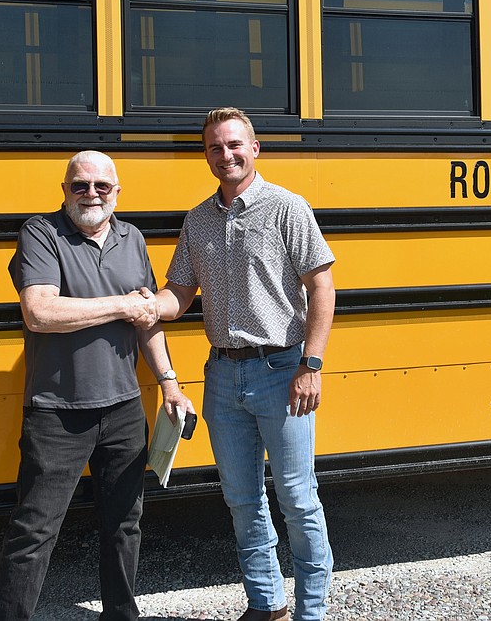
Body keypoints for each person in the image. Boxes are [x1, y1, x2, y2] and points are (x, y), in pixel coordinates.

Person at [0, 151, 194, 621]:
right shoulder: (41, 232)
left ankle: (121, 614)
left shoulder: (131, 237)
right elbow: (41, 312)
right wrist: (123, 305)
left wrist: (169, 384)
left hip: (123, 408)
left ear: (117, 192)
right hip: (56, 410)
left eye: (102, 186)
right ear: (64, 190)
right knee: (34, 531)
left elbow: (147, 320)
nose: (92, 194)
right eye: (80, 185)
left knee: (125, 524)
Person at [150, 107, 335, 621]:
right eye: (214, 147)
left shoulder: (287, 208)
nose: (225, 154)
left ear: (255, 149)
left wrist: (311, 364)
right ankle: (266, 602)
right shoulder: (198, 219)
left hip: (283, 372)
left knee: (298, 499)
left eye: (234, 145)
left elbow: (321, 285)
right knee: (241, 498)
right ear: (205, 155)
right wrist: (143, 303)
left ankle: (312, 612)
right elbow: (180, 293)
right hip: (222, 375)